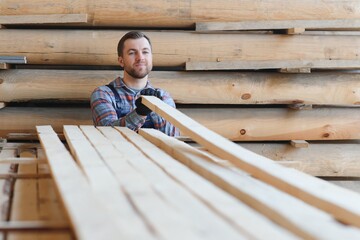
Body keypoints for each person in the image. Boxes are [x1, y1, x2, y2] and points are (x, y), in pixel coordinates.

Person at [90, 31, 179, 136]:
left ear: (151, 57)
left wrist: (156, 108)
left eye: (145, 52)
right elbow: (108, 133)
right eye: (132, 53)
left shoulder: (163, 97)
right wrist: (140, 113)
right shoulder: (103, 94)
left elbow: (172, 138)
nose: (140, 57)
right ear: (121, 61)